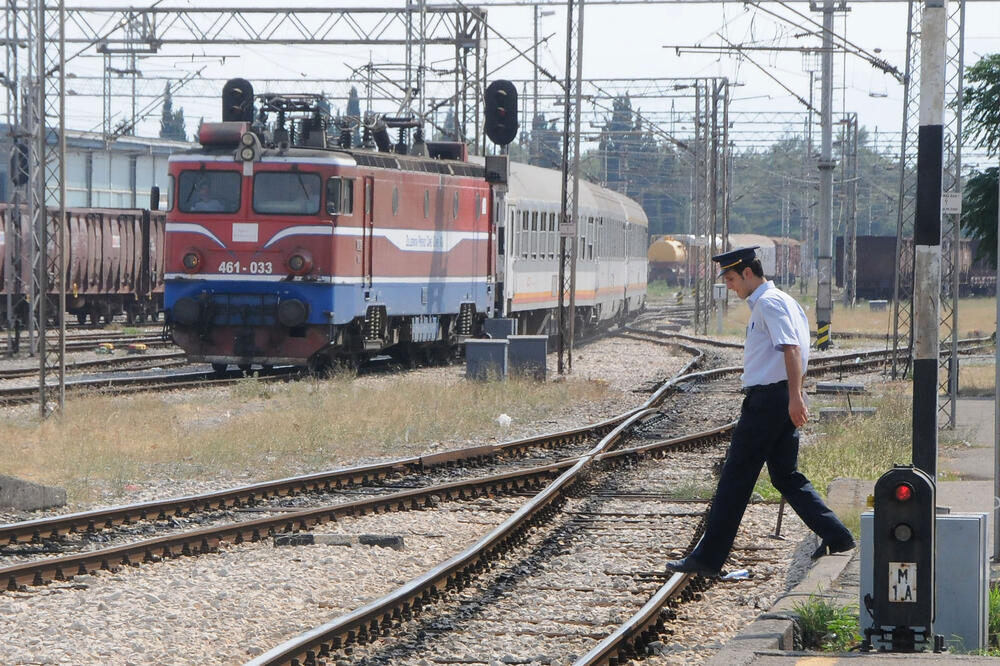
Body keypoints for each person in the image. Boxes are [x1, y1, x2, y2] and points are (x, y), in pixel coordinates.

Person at [666, 246, 855, 576]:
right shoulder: (780, 301)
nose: (729, 285)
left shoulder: (769, 303)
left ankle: (707, 559)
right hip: (777, 398)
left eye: (731, 278)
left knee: (735, 478)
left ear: (748, 273)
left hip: (769, 402)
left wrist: (795, 397)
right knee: (785, 476)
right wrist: (792, 396)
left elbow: (792, 350)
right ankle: (838, 536)